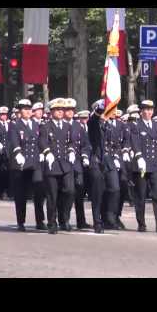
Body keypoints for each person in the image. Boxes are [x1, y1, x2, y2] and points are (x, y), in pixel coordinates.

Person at [130, 100, 157, 232]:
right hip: (141, 164)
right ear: (141, 111)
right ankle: (141, 223)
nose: (148, 112)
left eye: (150, 110)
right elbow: (135, 143)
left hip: (155, 164)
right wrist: (139, 156)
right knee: (140, 195)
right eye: (145, 110)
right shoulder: (136, 125)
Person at [39, 98, 76, 234]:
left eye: (62, 110)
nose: (61, 112)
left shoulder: (67, 126)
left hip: (65, 164)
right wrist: (47, 152)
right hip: (52, 164)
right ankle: (52, 222)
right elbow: (42, 142)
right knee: (52, 196)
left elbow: (71, 141)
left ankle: (64, 218)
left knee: (69, 191)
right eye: (58, 110)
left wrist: (72, 151)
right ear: (52, 111)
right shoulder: (45, 126)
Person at [8, 99, 46, 231]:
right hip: (21, 163)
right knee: (21, 194)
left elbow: (41, 140)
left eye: (29, 108)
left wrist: (43, 152)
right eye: (24, 109)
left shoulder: (36, 124)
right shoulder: (15, 125)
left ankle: (40, 220)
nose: (28, 111)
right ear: (20, 111)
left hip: (35, 162)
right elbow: (14, 140)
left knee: (39, 191)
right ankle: (21, 221)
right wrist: (17, 152)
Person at [88, 100, 122, 232]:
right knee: (98, 193)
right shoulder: (94, 123)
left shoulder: (109, 124)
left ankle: (109, 217)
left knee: (114, 188)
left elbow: (115, 143)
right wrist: (100, 109)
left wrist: (118, 156)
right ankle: (97, 222)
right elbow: (93, 120)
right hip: (96, 160)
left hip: (109, 160)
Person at [62, 98, 92, 230]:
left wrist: (85, 156)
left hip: (77, 163)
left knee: (79, 191)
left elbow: (85, 144)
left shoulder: (77, 126)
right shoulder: (59, 124)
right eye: (67, 110)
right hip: (64, 163)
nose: (69, 112)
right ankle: (64, 219)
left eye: (71, 110)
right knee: (68, 192)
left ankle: (81, 221)